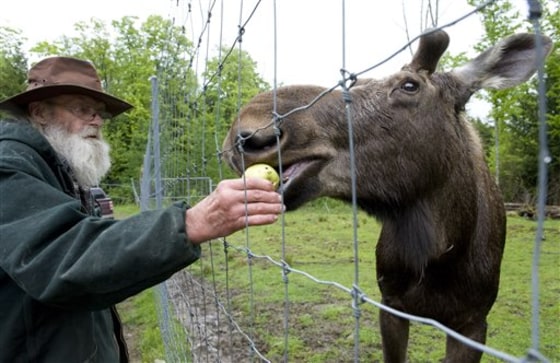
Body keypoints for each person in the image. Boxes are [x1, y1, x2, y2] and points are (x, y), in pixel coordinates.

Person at [0, 56, 283, 362]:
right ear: (39, 112)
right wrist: (192, 222)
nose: (96, 120)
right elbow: (62, 255)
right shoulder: (10, 168)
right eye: (82, 109)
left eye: (99, 113)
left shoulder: (58, 171)